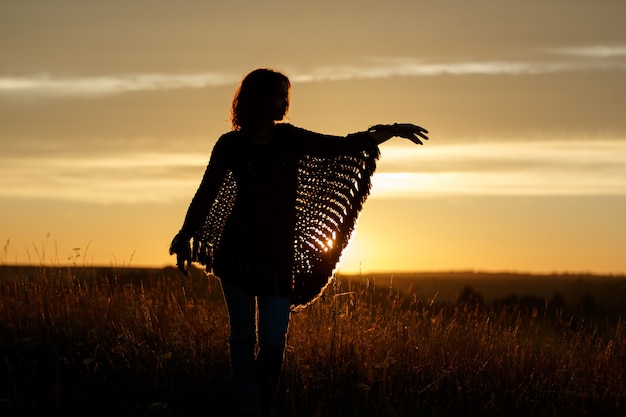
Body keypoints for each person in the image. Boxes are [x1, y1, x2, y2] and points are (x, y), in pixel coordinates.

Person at [170, 68, 428, 417]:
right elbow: (207, 194)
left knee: (273, 343)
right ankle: (252, 409)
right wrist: (186, 233)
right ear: (258, 99)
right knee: (243, 337)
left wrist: (391, 131)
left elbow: (342, 146)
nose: (285, 102)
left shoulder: (290, 138)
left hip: (277, 258)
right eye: (278, 95)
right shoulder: (230, 145)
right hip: (237, 253)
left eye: (285, 95)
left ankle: (260, 399)